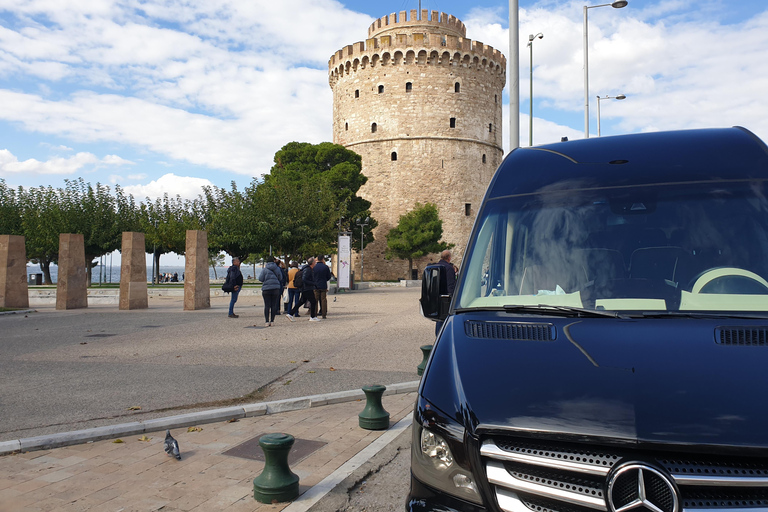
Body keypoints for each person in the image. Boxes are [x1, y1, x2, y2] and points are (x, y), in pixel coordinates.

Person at [287, 257, 320, 322]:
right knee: (313, 301)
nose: (316, 263)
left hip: (305, 288)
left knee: (301, 301)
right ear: (312, 263)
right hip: (307, 288)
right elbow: (304, 279)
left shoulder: (306, 269)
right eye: (315, 262)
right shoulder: (308, 270)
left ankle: (290, 313)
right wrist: (313, 283)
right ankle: (312, 317)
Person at [435, 250, 456, 336]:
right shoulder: (449, 268)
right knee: (446, 317)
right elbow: (450, 284)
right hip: (446, 297)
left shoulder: (436, 266)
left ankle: (438, 336)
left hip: (436, 295)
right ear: (449, 258)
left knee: (439, 319)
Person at [258, 256, 284, 327]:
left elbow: (260, 279)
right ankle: (272, 321)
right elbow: (280, 278)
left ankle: (266, 321)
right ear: (274, 261)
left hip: (266, 289)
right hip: (275, 288)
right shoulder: (277, 269)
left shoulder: (265, 269)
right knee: (274, 305)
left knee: (267, 305)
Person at [313, 255, 332, 319]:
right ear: (323, 259)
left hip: (315, 285)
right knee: (323, 300)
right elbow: (329, 277)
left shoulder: (314, 267)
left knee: (315, 300)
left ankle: (314, 314)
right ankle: (324, 314)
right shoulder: (325, 267)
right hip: (323, 285)